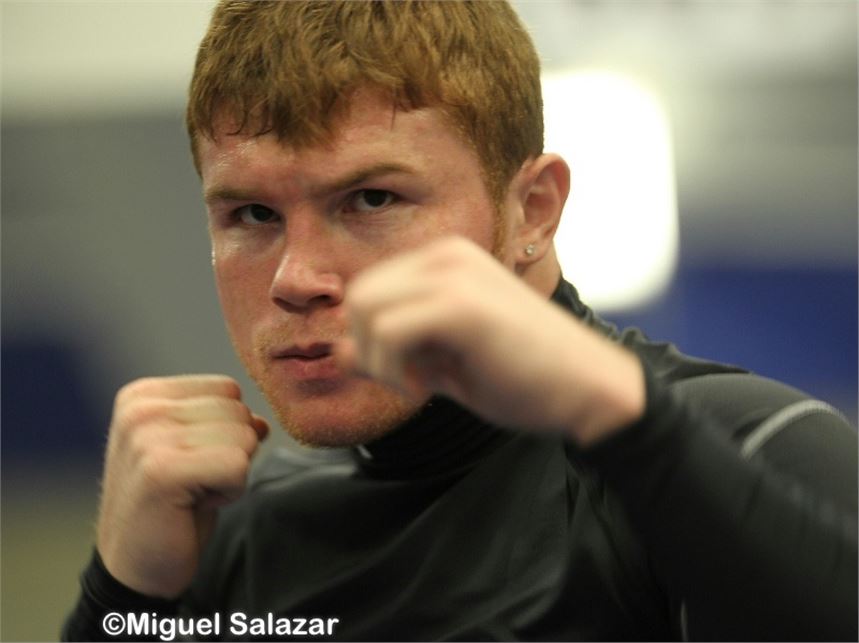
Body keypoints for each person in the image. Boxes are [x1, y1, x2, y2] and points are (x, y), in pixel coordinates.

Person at [63, 2, 857, 641]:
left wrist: (623, 420)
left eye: (372, 198)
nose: (295, 278)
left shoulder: (745, 444)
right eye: (252, 213)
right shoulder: (241, 537)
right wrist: (123, 598)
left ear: (531, 211)